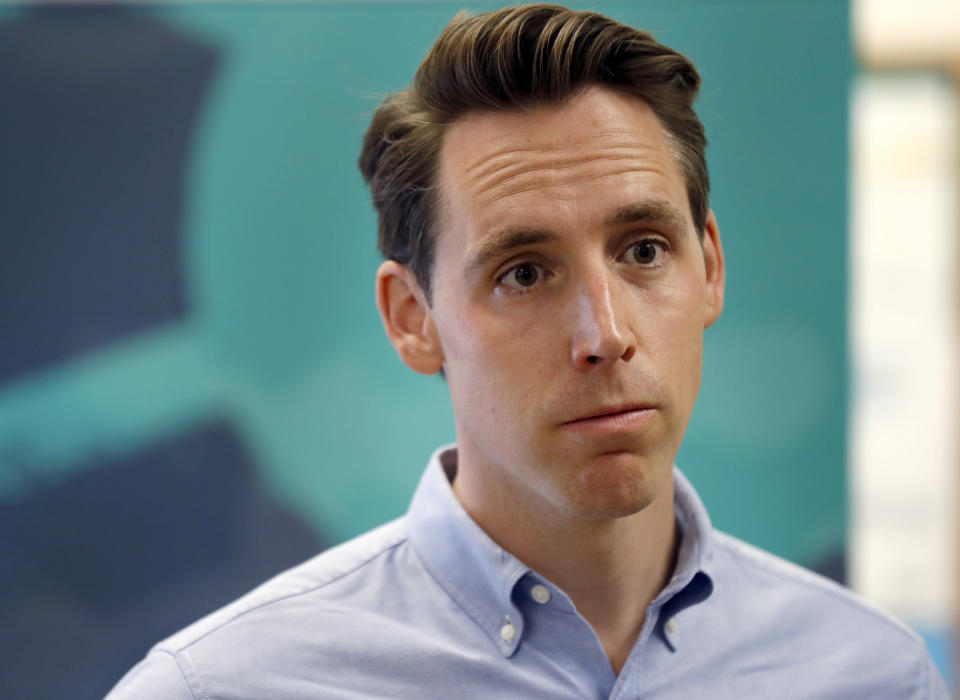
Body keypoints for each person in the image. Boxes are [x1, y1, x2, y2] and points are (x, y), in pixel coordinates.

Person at [107, 5, 949, 698]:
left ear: (711, 267)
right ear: (412, 318)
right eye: (525, 272)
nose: (606, 334)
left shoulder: (873, 674)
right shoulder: (221, 690)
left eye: (645, 250)